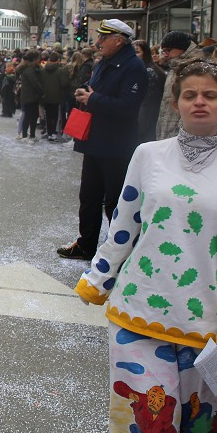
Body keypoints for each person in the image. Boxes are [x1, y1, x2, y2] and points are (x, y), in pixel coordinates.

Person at [75, 59, 217, 433]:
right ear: (177, 102)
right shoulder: (148, 156)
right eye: (190, 95)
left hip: (209, 328)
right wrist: (100, 276)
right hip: (138, 311)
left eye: (210, 95)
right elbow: (125, 225)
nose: (199, 102)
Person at [57, 19, 148, 260]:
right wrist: (84, 91)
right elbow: (97, 89)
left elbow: (128, 107)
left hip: (116, 146)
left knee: (115, 202)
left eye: (103, 38)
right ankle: (86, 244)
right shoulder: (106, 62)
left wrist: (92, 99)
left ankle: (120, 250)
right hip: (96, 141)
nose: (98, 42)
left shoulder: (133, 67)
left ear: (118, 40)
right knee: (89, 197)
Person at [156, 31, 204, 139]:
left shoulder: (195, 68)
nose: (166, 54)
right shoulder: (174, 68)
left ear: (182, 48)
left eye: (168, 50)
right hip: (169, 132)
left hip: (183, 134)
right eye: (163, 51)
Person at [133, 39, 165, 143]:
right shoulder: (142, 69)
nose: (134, 55)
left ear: (145, 53)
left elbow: (148, 105)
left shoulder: (149, 71)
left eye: (137, 52)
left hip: (147, 127)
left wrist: (139, 130)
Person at [39, 51, 69, 141]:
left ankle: (49, 132)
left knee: (48, 114)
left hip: (46, 96)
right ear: (58, 60)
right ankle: (54, 132)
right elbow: (64, 83)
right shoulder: (61, 70)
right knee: (56, 115)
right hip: (57, 96)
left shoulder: (44, 69)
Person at [16, 51, 43, 143]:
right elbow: (35, 83)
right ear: (34, 59)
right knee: (30, 116)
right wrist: (41, 92)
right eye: (38, 58)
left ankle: (29, 134)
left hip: (30, 95)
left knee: (31, 115)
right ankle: (27, 135)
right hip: (30, 95)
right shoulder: (29, 70)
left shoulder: (30, 69)